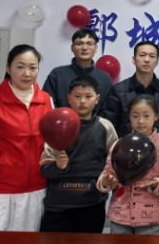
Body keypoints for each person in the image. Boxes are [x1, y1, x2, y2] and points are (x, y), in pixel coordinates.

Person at [0, 44, 53, 231]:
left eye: (33, 67)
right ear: (8, 68)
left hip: (33, 192)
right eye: (20, 67)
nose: (27, 73)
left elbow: (49, 147)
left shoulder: (47, 101)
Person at [39, 76, 118, 233]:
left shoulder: (105, 126)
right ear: (69, 98)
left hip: (92, 204)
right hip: (58, 205)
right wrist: (57, 166)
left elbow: (113, 163)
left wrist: (108, 180)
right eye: (77, 96)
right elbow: (44, 167)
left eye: (88, 96)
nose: (82, 101)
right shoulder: (57, 124)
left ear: (97, 99)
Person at [98, 95, 159, 235]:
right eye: (135, 116)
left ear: (156, 116)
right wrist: (106, 181)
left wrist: (156, 184)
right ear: (129, 117)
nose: (141, 121)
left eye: (146, 115)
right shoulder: (119, 144)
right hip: (120, 215)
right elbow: (108, 172)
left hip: (151, 218)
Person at [103, 41, 159, 137]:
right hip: (125, 144)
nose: (147, 60)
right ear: (134, 59)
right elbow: (110, 126)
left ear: (157, 61)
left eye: (152, 56)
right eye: (142, 55)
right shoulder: (118, 90)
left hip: (158, 145)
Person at [43, 28, 112, 113]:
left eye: (89, 44)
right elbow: (48, 105)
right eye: (79, 43)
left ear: (96, 48)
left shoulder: (104, 78)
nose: (84, 48)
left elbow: (108, 110)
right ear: (72, 48)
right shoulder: (57, 74)